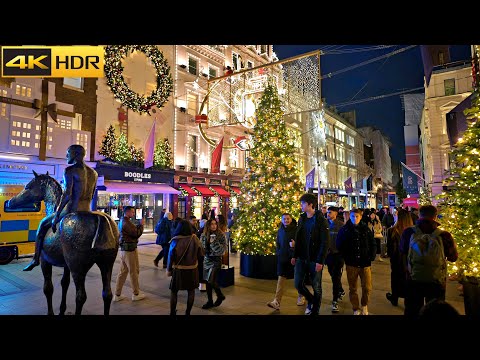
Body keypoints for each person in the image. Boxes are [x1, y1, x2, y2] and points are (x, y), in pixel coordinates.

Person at [24, 144, 98, 271]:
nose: (66, 156)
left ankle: (35, 259)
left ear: (75, 154)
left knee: (42, 224)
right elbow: (91, 195)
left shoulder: (70, 171)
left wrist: (57, 214)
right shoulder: (94, 173)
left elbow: (67, 195)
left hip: (72, 209)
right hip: (87, 210)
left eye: (68, 153)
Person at [399, 205, 458, 317]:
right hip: (436, 281)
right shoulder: (444, 235)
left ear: (419, 215)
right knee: (436, 312)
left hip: (414, 280)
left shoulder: (408, 232)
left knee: (413, 311)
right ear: (435, 217)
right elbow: (453, 257)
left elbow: (401, 253)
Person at [291, 193, 330, 316]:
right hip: (301, 258)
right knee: (297, 283)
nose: (301, 206)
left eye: (303, 203)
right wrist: (295, 255)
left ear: (310, 204)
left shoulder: (320, 220)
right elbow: (299, 237)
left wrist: (320, 261)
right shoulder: (302, 218)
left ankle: (315, 310)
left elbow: (325, 242)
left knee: (316, 286)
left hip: (314, 259)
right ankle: (311, 300)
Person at [336, 209, 376, 315]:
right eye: (353, 216)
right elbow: (339, 245)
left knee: (367, 287)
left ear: (361, 217)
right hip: (351, 264)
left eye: (357, 216)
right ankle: (355, 307)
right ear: (350, 216)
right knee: (353, 288)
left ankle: (364, 305)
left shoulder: (366, 229)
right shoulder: (345, 230)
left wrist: (371, 256)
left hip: (365, 263)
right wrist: (346, 257)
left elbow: (372, 243)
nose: (355, 219)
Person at [267, 213, 304, 311]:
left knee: (298, 279)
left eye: (288, 219)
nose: (286, 220)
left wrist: (294, 247)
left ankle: (301, 296)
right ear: (282, 220)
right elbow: (278, 243)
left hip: (294, 258)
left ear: (291, 219)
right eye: (284, 219)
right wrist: (278, 253)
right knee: (280, 280)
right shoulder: (280, 230)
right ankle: (277, 301)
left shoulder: (296, 230)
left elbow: (301, 244)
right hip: (282, 259)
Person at [167, 219, 204, 316]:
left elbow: (170, 257)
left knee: (174, 291)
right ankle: (188, 312)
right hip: (192, 269)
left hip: (178, 269)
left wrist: (169, 269)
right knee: (191, 291)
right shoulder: (195, 239)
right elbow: (201, 255)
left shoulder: (175, 240)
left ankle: (172, 312)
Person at [113, 206, 146, 302]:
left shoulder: (122, 221)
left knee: (123, 272)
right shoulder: (126, 222)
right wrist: (141, 225)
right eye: (132, 212)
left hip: (124, 250)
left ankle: (117, 294)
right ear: (127, 212)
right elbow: (136, 233)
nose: (134, 214)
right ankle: (136, 293)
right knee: (134, 271)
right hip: (129, 250)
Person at [385, 209, 413, 306]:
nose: (394, 216)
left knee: (396, 279)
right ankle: (407, 300)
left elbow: (389, 249)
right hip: (410, 261)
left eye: (395, 215)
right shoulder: (413, 231)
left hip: (397, 260)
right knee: (408, 280)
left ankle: (395, 297)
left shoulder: (392, 231)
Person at [200, 218, 227, 309]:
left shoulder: (221, 235)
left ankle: (220, 295)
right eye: (211, 224)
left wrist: (213, 242)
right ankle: (210, 301)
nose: (214, 226)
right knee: (207, 282)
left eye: (215, 224)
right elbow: (202, 248)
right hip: (207, 260)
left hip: (216, 261)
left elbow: (222, 251)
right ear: (208, 225)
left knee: (211, 280)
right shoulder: (204, 235)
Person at [325, 206, 346, 313]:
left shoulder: (341, 225)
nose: (328, 214)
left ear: (336, 213)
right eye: (327, 212)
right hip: (328, 255)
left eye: (330, 212)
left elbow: (345, 241)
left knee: (336, 277)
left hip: (338, 255)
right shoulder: (325, 224)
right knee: (332, 274)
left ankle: (335, 301)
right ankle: (340, 289)